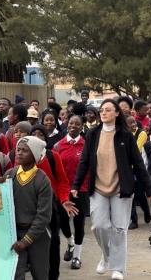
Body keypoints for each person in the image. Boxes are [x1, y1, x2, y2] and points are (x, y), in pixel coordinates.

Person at [71, 99, 151, 280]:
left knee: (119, 229)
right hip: (98, 188)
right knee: (99, 226)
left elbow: (138, 164)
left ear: (117, 113)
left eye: (108, 110)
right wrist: (76, 185)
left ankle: (118, 269)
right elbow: (84, 161)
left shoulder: (125, 135)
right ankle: (107, 256)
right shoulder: (93, 134)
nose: (103, 112)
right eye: (102, 110)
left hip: (121, 189)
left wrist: (149, 189)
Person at [29, 125, 77, 280]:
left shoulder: (52, 156)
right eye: (33, 134)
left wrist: (64, 200)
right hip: (29, 208)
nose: (37, 137)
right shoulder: (23, 158)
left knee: (53, 243)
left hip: (51, 207)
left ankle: (53, 275)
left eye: (40, 134)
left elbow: (63, 181)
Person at [2, 137, 53, 280]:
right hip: (15, 233)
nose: (19, 153)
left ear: (35, 155)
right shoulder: (9, 175)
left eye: (25, 150)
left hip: (38, 235)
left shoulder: (42, 180)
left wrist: (26, 241)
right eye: (18, 149)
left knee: (40, 274)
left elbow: (43, 216)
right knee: (16, 275)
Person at [55, 115, 88, 270]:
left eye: (77, 124)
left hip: (81, 190)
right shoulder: (58, 145)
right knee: (63, 221)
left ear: (82, 127)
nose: (73, 125)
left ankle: (77, 256)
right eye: (71, 123)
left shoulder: (86, 145)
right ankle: (70, 242)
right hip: (63, 190)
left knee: (79, 222)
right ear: (67, 125)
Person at [126, 115, 151, 229]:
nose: (133, 124)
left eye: (134, 122)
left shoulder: (141, 134)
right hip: (126, 169)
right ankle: (133, 220)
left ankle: (146, 211)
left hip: (138, 168)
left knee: (140, 194)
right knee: (130, 195)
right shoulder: (122, 134)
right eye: (130, 123)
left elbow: (136, 149)